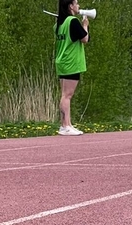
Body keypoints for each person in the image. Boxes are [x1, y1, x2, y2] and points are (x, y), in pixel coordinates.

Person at [55, 0, 90, 136]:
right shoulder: (72, 21)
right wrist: (85, 25)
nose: (78, 6)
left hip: (63, 61)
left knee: (65, 94)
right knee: (67, 95)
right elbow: (84, 39)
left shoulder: (59, 24)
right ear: (70, 6)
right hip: (71, 62)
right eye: (76, 3)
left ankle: (67, 124)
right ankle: (65, 125)